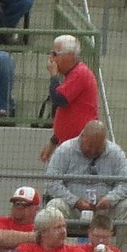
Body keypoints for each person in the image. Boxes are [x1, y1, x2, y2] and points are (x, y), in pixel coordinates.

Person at [38, 33, 95, 163]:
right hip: (70, 144)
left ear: (69, 56)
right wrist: (53, 141)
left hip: (80, 146)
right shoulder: (72, 75)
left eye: (55, 54)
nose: (51, 58)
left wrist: (53, 76)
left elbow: (59, 100)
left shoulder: (79, 73)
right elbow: (67, 115)